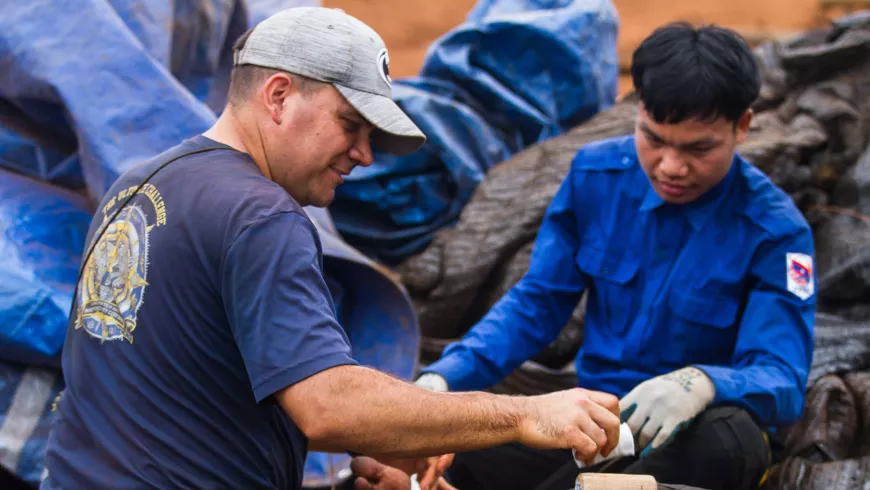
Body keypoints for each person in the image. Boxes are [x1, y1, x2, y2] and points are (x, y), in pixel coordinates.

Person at [39, 7, 623, 490]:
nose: (364, 155)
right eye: (351, 124)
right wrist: (527, 414)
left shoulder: (137, 186)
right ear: (278, 96)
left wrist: (368, 446)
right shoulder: (260, 214)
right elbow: (327, 405)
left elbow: (190, 379)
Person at [414, 21, 817, 490]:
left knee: (728, 439)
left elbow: (782, 378)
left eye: (698, 148)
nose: (670, 167)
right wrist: (442, 385)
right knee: (466, 446)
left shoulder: (775, 231)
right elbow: (537, 303)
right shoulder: (596, 176)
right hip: (596, 421)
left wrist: (703, 384)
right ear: (638, 109)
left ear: (742, 126)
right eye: (654, 138)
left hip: (689, 437)